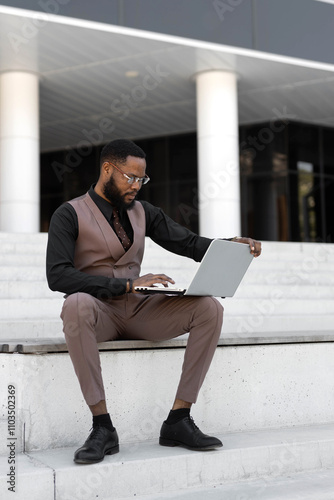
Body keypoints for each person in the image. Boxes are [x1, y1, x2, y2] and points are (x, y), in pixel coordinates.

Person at [46, 139, 261, 465]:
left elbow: (188, 243)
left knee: (209, 308)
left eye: (141, 179)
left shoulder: (143, 212)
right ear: (107, 169)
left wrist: (232, 244)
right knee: (75, 303)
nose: (136, 185)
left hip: (140, 310)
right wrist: (126, 283)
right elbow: (58, 276)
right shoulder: (69, 213)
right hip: (98, 310)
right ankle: (102, 427)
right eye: (129, 177)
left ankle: (178, 419)